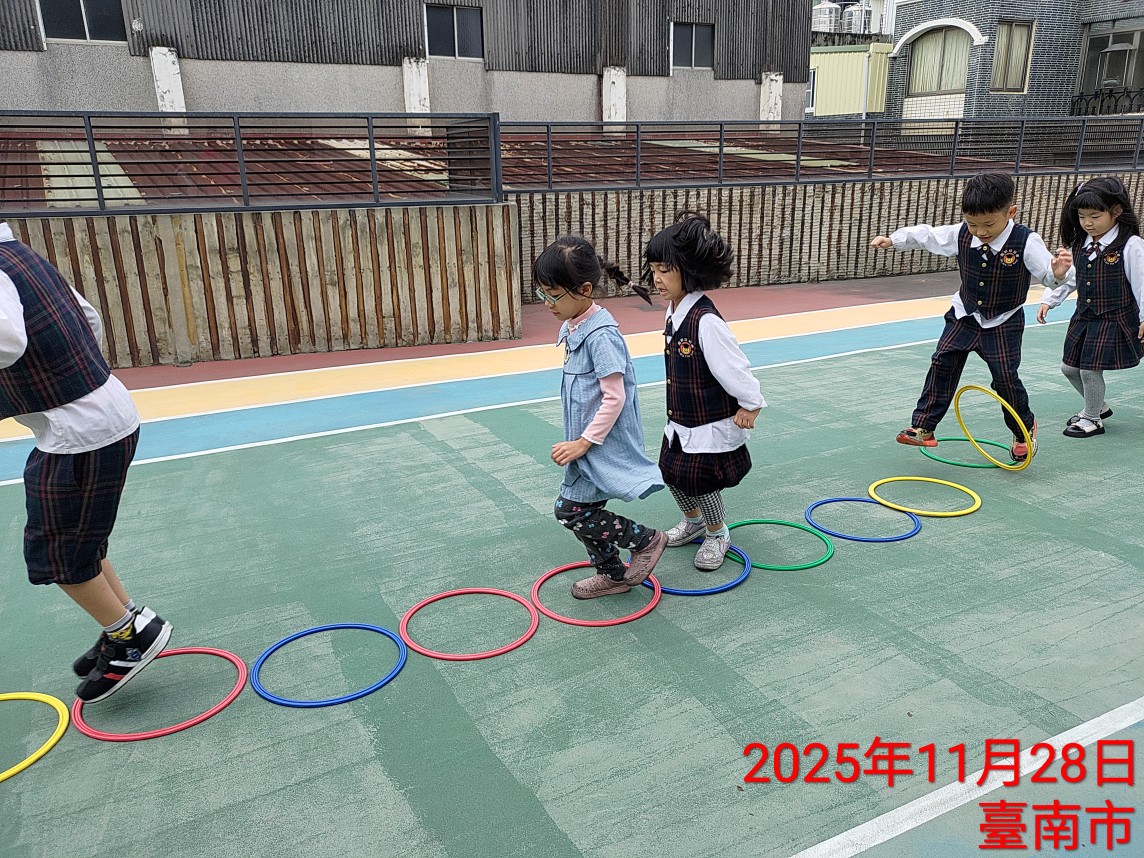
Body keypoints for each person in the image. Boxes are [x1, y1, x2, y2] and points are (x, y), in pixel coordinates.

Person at [0, 222, 171, 703]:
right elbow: (88, 317)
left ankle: (129, 639)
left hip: (79, 432)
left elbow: (7, 341)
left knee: (58, 553)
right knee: (80, 539)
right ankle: (130, 622)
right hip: (98, 413)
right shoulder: (21, 256)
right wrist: (74, 373)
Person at [870, 172, 1073, 461]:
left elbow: (1047, 274)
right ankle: (924, 427)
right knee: (942, 363)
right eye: (973, 223)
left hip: (1003, 322)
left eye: (989, 224)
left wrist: (1057, 274)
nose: (980, 231)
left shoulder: (1025, 241)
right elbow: (929, 236)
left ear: (1011, 213)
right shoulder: (962, 233)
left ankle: (1023, 429)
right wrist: (894, 239)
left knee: (1005, 379)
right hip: (964, 315)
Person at [534, 235, 668, 599]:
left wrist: (583, 442)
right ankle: (612, 574)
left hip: (598, 445)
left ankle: (646, 540)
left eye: (553, 294)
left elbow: (615, 396)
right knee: (581, 511)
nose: (546, 303)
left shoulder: (601, 336)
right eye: (542, 292)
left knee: (570, 511)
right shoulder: (575, 325)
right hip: (586, 445)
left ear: (584, 290)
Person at [644, 212, 765, 572]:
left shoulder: (706, 321)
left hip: (708, 422)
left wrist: (751, 404)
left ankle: (717, 532)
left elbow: (734, 367)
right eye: (653, 269)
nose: (656, 278)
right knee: (670, 473)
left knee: (701, 482)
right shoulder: (674, 311)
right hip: (681, 420)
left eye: (665, 270)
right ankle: (693, 521)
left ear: (689, 269)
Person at [1037, 176, 1143, 437]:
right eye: (1082, 216)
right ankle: (1098, 406)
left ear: (1116, 211)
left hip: (1113, 318)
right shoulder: (1081, 244)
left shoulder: (1130, 245)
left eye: (1095, 216)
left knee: (1089, 369)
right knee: (1069, 368)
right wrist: (1049, 299)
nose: (1087, 222)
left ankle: (1093, 419)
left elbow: (1142, 282)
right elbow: (1072, 277)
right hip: (1084, 316)